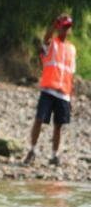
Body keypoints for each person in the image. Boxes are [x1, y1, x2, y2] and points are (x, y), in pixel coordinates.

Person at [23, 14, 76, 167]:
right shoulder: (52, 43)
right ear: (58, 28)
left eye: (67, 27)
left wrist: (70, 97)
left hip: (64, 94)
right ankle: (32, 150)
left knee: (58, 126)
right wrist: (54, 25)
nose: (65, 30)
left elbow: (71, 74)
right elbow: (46, 39)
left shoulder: (72, 49)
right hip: (48, 90)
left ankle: (54, 155)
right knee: (39, 119)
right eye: (63, 27)